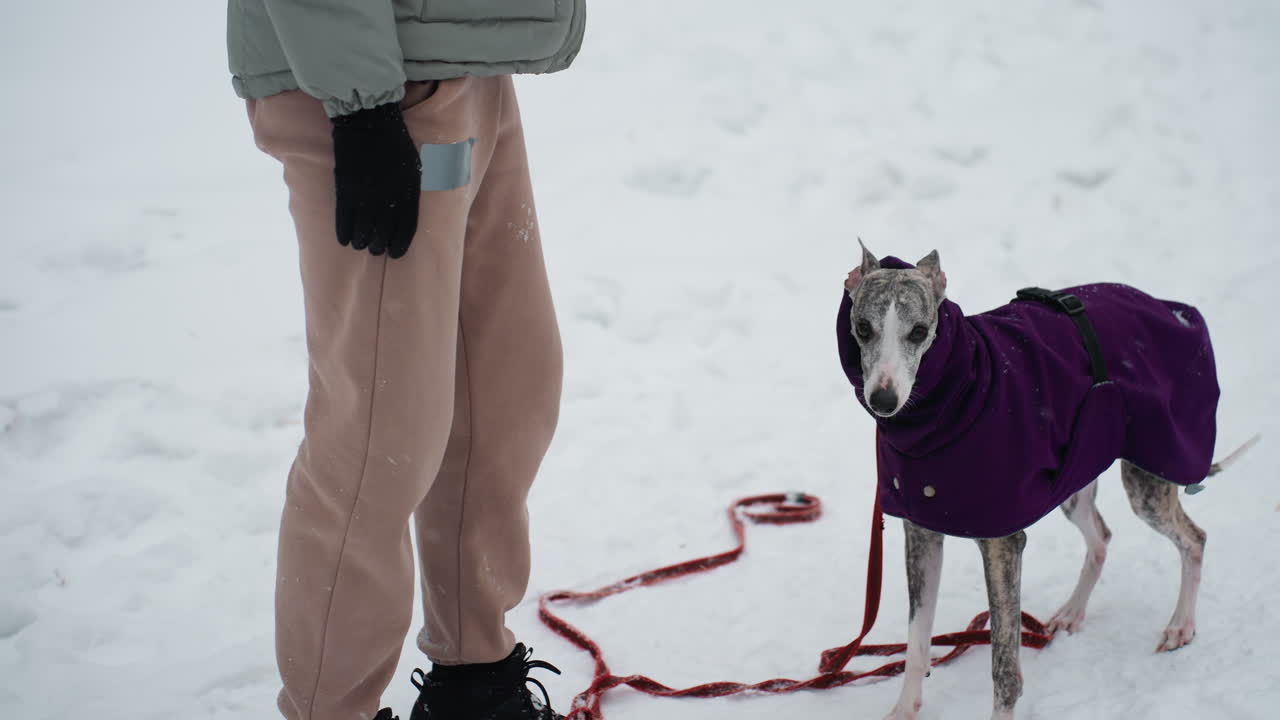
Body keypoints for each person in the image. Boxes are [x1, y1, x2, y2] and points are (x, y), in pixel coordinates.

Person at [226, 2, 587, 719]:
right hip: (374, 89)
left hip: (466, 66)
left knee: (506, 390)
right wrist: (359, 104)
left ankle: (474, 681)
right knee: (380, 439)